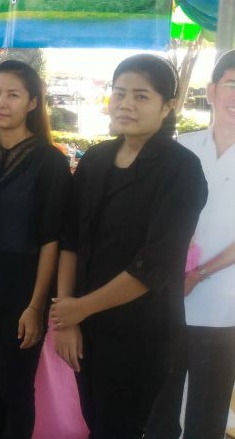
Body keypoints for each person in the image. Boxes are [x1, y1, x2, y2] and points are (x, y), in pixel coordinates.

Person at [51, 54, 208, 439]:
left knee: (123, 428)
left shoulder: (181, 169)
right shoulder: (96, 158)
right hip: (86, 326)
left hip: (141, 333)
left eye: (141, 96)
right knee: (95, 421)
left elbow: (155, 265)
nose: (125, 104)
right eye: (119, 93)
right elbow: (70, 239)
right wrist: (67, 315)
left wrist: (79, 309)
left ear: (167, 106)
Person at [0, 60, 71, 439]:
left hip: (19, 298)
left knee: (17, 391)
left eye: (13, 95)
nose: (0, 103)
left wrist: (36, 307)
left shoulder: (50, 161)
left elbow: (51, 240)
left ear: (33, 103)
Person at [147, 49, 235, 439]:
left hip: (224, 309)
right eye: (232, 85)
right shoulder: (181, 147)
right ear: (212, 91)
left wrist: (198, 273)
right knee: (160, 406)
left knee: (207, 414)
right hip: (167, 301)